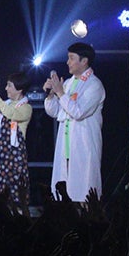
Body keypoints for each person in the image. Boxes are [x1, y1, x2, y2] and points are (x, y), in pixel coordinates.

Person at [43, 42, 105, 202]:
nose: (67, 62)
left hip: (83, 145)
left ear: (84, 61)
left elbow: (79, 112)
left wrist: (60, 92)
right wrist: (51, 95)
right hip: (66, 146)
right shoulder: (69, 83)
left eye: (71, 58)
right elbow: (55, 111)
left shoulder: (94, 85)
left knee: (84, 193)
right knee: (64, 194)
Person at [0, 69, 33, 214]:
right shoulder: (6, 104)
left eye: (9, 85)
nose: (6, 88)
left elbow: (10, 114)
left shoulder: (26, 108)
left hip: (15, 158)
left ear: (19, 89)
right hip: (1, 156)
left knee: (15, 192)